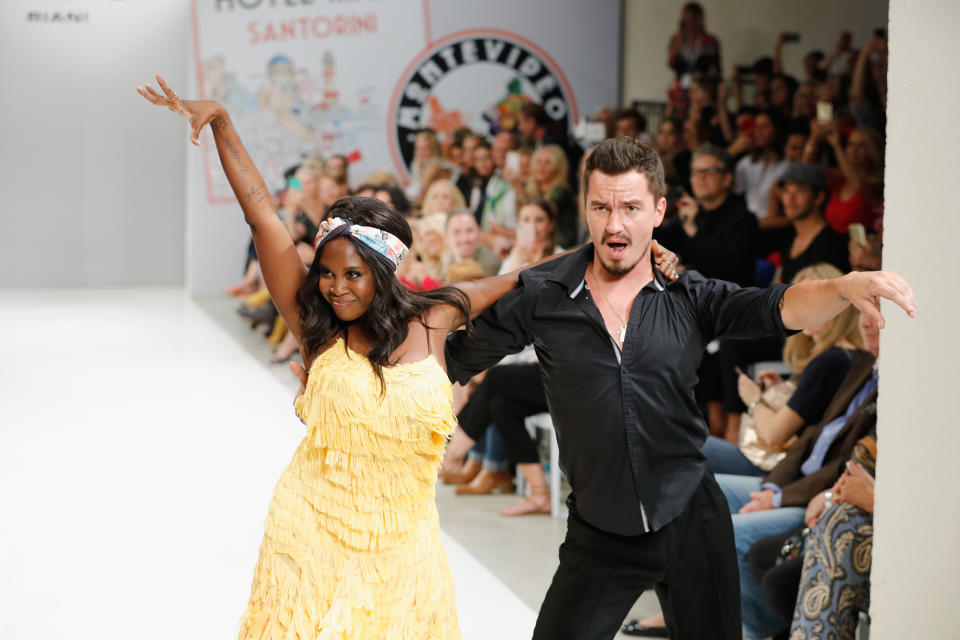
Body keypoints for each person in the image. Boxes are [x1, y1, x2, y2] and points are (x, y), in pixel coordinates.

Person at [442, 136, 915, 640]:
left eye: (630, 207)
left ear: (659, 211)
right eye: (601, 207)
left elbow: (782, 306)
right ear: (586, 208)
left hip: (692, 518)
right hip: (600, 531)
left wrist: (842, 287)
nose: (614, 224)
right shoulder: (546, 297)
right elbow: (448, 358)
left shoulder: (690, 297)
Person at [137, 74, 553, 639]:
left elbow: (524, 276)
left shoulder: (436, 316)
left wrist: (624, 243)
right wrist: (222, 123)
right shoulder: (316, 328)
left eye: (353, 274)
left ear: (384, 274)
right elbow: (262, 215)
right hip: (309, 530)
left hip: (407, 542)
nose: (335, 287)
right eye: (327, 272)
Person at [774, 163, 850, 284]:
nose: (790, 199)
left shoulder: (832, 244)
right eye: (786, 191)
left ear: (819, 197)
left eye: (800, 191)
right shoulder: (789, 241)